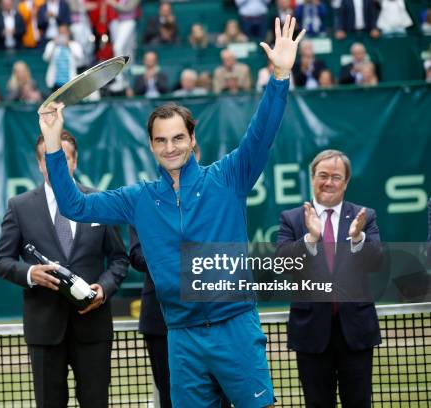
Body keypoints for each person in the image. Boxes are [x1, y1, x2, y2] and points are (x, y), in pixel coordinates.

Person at [38, 16, 305, 408]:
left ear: (192, 139)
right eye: (161, 140)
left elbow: (262, 132)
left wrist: (279, 76)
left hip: (235, 329)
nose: (170, 147)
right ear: (151, 146)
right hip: (180, 337)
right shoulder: (139, 198)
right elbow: (75, 206)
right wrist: (51, 142)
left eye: (178, 137)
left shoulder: (228, 176)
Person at [0, 131, 129, 408]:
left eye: (63, 157)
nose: (55, 164)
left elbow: (119, 259)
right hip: (44, 329)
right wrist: (31, 275)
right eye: (48, 158)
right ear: (40, 163)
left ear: (74, 162)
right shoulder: (19, 207)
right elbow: (1, 261)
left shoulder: (100, 201)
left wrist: (104, 288)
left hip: (93, 327)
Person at [276, 149, 382, 408]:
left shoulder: (364, 217)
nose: (329, 182)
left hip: (355, 332)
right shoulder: (292, 219)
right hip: (311, 333)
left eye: (336, 177)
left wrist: (358, 238)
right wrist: (310, 238)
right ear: (312, 178)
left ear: (346, 182)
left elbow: (376, 261)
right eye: (323, 175)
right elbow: (282, 263)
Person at [129, 146, 231, 408]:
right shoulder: (143, 199)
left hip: (218, 315)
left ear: (197, 156)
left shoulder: (217, 196)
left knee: (223, 395)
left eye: (187, 153)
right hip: (162, 321)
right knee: (170, 398)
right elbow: (137, 255)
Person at [42, 24, 84, 92]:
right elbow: (46, 58)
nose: (62, 35)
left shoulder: (74, 45)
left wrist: (68, 44)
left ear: (68, 33)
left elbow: (80, 59)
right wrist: (54, 44)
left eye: (64, 33)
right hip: (55, 83)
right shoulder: (51, 44)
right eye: (60, 33)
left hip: (70, 82)